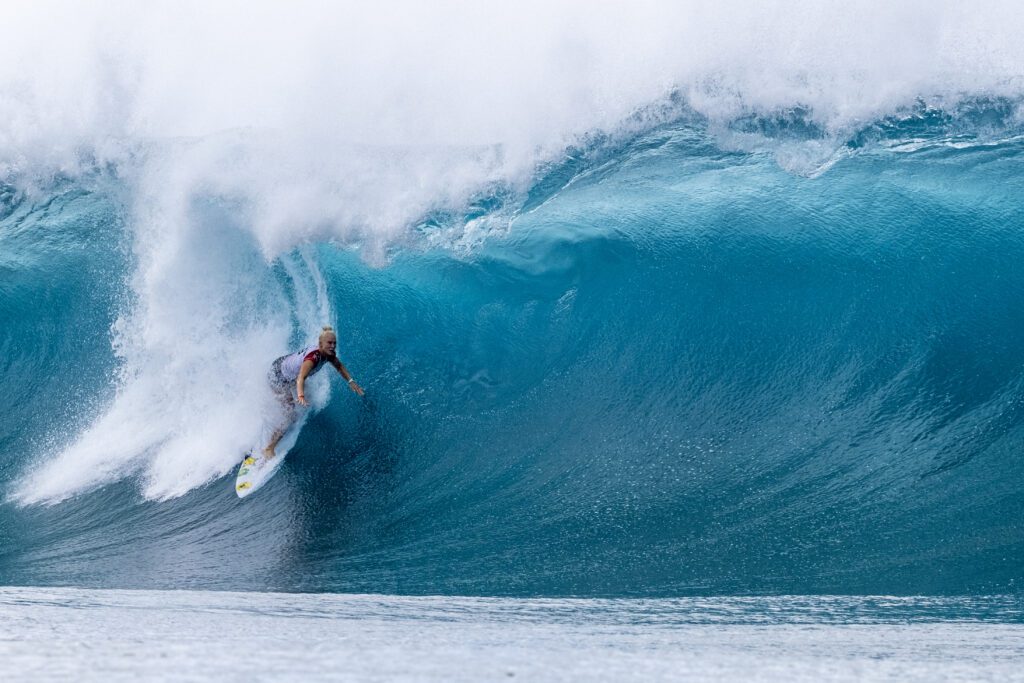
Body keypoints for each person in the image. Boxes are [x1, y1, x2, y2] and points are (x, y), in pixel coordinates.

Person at [263, 325, 364, 458]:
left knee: (294, 398)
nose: (333, 346)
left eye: (334, 343)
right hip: (277, 376)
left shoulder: (328, 354)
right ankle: (269, 448)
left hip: (284, 366)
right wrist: (300, 395)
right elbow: (301, 378)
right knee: (289, 416)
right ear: (320, 344)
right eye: (329, 343)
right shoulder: (312, 359)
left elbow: (339, 366)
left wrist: (351, 381)